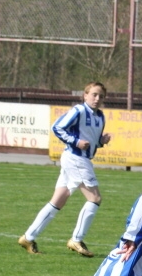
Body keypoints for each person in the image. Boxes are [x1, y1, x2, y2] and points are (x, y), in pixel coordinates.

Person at [18, 82, 112, 257]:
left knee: (58, 200)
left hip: (79, 159)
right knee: (95, 198)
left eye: (101, 96)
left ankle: (28, 237)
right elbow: (57, 127)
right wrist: (76, 142)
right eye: (94, 94)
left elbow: (92, 139)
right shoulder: (79, 111)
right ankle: (76, 239)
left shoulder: (100, 117)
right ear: (85, 95)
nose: (97, 99)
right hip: (76, 158)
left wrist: (101, 141)